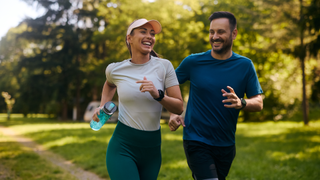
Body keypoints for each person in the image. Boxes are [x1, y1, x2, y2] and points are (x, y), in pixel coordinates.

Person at [169, 11, 263, 180]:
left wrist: (242, 102)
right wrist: (174, 112)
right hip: (196, 140)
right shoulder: (193, 62)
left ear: (234, 34)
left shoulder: (245, 65)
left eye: (220, 32)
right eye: (212, 32)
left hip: (226, 144)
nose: (215, 36)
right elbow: (169, 86)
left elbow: (258, 102)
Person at [92, 19, 184, 180]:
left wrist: (158, 95)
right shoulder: (115, 69)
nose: (149, 36)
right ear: (129, 38)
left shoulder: (165, 66)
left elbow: (178, 107)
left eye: (152, 33)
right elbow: (109, 84)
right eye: (143, 31)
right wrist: (102, 106)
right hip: (123, 146)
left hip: (152, 149)